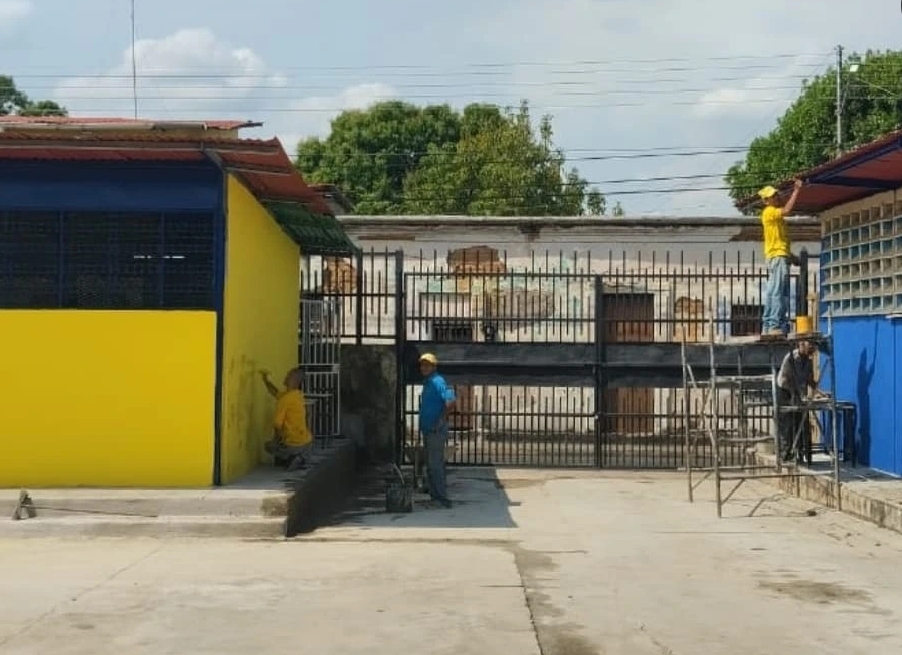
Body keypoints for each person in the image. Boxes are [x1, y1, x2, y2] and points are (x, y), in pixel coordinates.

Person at [758, 179, 803, 337]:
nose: (776, 197)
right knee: (779, 292)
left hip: (778, 256)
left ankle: (770, 325)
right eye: (773, 196)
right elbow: (787, 210)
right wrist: (796, 191)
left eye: (776, 195)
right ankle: (775, 324)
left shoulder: (775, 219)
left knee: (774, 291)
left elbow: (779, 242)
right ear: (766, 200)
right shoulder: (770, 211)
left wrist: (791, 257)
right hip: (777, 257)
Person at [775, 340, 824, 464]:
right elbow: (785, 379)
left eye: (813, 347)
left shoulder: (808, 361)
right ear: (801, 345)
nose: (812, 348)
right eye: (810, 345)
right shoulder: (791, 358)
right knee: (787, 424)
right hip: (785, 391)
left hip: (798, 392)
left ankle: (803, 453)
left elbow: (810, 380)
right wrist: (794, 394)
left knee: (802, 422)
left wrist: (819, 392)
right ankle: (785, 454)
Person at [418, 353, 456, 508]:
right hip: (429, 430)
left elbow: (451, 401)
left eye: (427, 365)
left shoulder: (438, 381)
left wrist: (440, 420)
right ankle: (435, 497)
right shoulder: (428, 382)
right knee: (431, 465)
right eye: (422, 365)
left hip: (435, 431)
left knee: (435, 465)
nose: (424, 367)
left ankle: (441, 499)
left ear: (434, 367)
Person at [260, 367, 313, 471]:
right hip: (307, 442)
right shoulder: (298, 395)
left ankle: (291, 457)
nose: (286, 377)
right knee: (281, 444)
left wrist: (276, 441)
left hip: (294, 443)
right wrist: (266, 381)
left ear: (294, 380)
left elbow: (277, 424)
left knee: (269, 446)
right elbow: (275, 392)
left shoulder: (286, 398)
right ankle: (300, 457)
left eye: (289, 375)